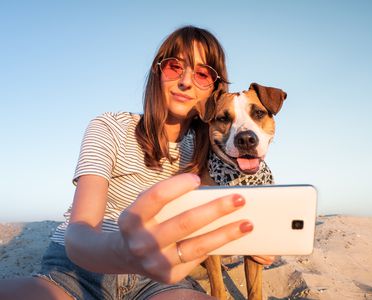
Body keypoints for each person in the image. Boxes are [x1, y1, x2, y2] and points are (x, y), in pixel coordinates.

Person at [0, 26, 271, 300]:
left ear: (215, 89)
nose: (186, 81)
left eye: (202, 74)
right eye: (174, 67)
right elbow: (79, 234)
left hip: (161, 277)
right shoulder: (110, 127)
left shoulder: (214, 150)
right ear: (157, 72)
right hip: (77, 271)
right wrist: (121, 251)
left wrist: (253, 240)